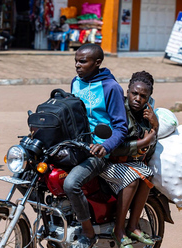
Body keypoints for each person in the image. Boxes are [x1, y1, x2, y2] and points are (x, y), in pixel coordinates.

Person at [64, 43, 128, 248]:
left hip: (98, 151)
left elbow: (121, 127)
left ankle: (89, 234)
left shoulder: (111, 88)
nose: (77, 65)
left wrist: (106, 147)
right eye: (76, 60)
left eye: (82, 61)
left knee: (70, 184)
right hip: (76, 145)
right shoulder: (75, 82)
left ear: (97, 63)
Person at [102, 71, 158, 248]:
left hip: (129, 162)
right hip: (109, 161)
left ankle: (132, 226)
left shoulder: (146, 115)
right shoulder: (120, 111)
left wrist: (155, 124)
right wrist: (143, 142)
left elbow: (151, 144)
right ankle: (119, 229)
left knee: (147, 175)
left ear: (148, 98)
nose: (137, 99)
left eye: (143, 96)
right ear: (128, 91)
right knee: (133, 179)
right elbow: (114, 146)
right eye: (134, 93)